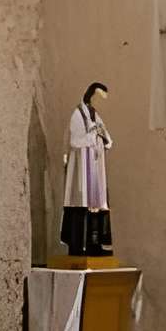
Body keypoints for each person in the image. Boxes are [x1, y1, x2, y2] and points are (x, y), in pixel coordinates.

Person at [59, 82, 114, 257]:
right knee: (80, 206)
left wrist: (103, 137)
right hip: (82, 169)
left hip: (95, 167)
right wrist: (92, 135)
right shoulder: (77, 114)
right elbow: (75, 141)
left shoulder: (95, 115)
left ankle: (94, 244)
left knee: (97, 206)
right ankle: (78, 246)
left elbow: (107, 138)